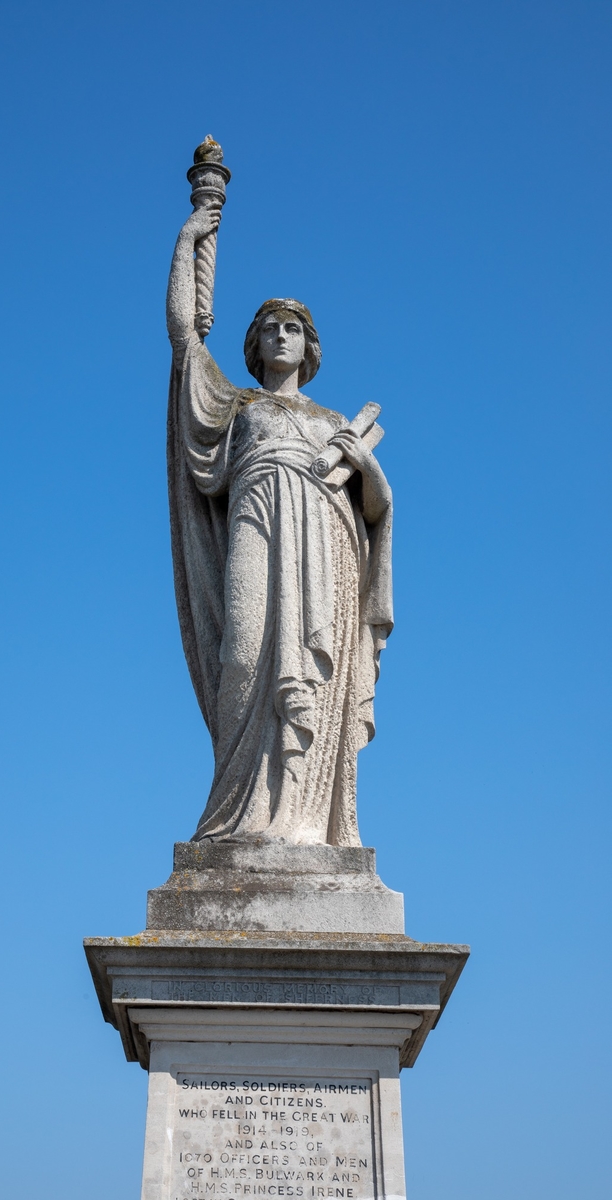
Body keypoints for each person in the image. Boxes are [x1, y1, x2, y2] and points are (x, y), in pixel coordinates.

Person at [166, 204, 393, 846]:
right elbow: (186, 341)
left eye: (292, 328)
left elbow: (376, 509)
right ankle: (238, 816)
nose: (281, 336)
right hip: (257, 520)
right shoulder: (235, 407)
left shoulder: (331, 423)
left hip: (326, 548)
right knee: (242, 654)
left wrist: (364, 467)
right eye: (269, 327)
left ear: (309, 345)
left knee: (314, 677)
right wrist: (190, 239)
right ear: (254, 343)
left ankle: (303, 822)